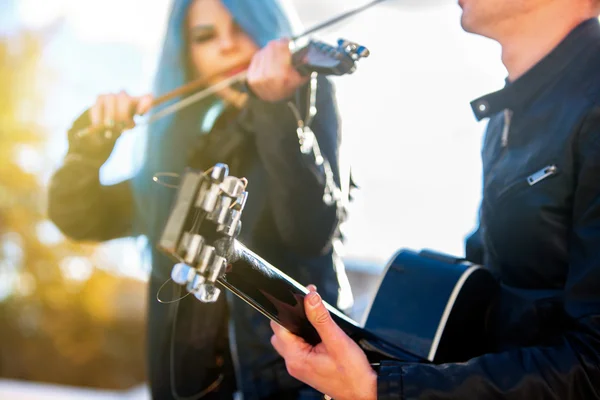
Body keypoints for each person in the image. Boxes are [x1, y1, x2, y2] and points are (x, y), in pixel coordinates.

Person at [270, 0, 600, 399]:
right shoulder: (509, 111)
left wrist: (382, 390)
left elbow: (594, 364)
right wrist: (358, 357)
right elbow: (490, 297)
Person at [47, 0, 355, 399]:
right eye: (205, 37)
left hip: (297, 387)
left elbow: (310, 228)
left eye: (241, 26)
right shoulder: (192, 151)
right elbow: (78, 217)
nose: (227, 45)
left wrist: (278, 110)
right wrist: (88, 147)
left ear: (269, 28)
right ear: (188, 55)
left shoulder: (305, 110)